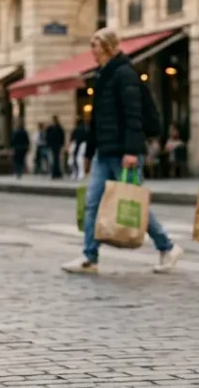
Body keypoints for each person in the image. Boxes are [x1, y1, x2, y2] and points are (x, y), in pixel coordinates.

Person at [62, 28, 183, 275]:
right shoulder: (102, 75)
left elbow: (133, 116)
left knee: (133, 204)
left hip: (123, 153)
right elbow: (97, 120)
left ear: (108, 47)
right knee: (92, 204)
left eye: (95, 46)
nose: (92, 52)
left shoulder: (125, 74)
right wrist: (89, 152)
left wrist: (131, 150)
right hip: (104, 152)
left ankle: (167, 247)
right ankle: (89, 257)